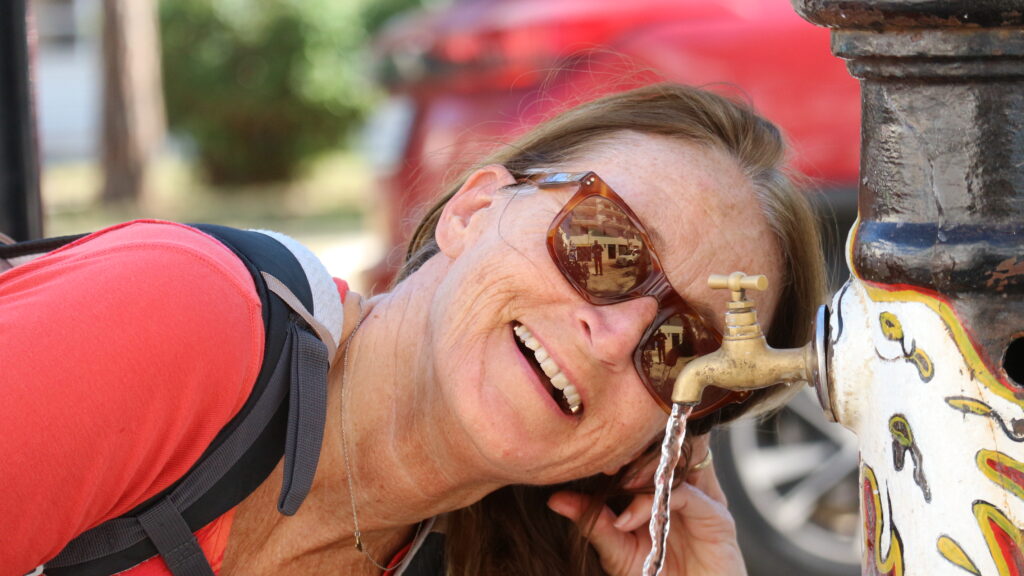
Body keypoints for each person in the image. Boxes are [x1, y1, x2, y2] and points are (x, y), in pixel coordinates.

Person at [0, 83, 826, 575]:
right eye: (603, 244)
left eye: (679, 348)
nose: (615, 336)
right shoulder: (191, 317)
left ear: (658, 440)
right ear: (473, 208)